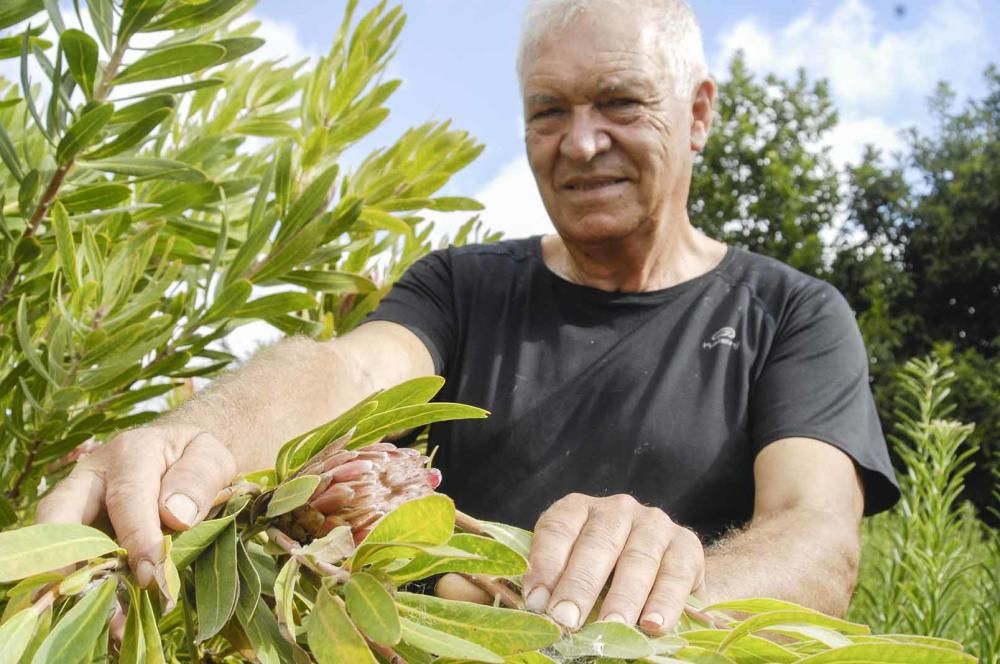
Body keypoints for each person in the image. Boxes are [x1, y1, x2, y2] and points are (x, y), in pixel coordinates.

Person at [37, 0, 898, 635]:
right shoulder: (460, 287)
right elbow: (354, 371)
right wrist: (200, 440)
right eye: (549, 111)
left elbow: (817, 535)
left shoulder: (792, 314)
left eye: (621, 102)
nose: (582, 141)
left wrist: (657, 597)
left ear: (700, 112)